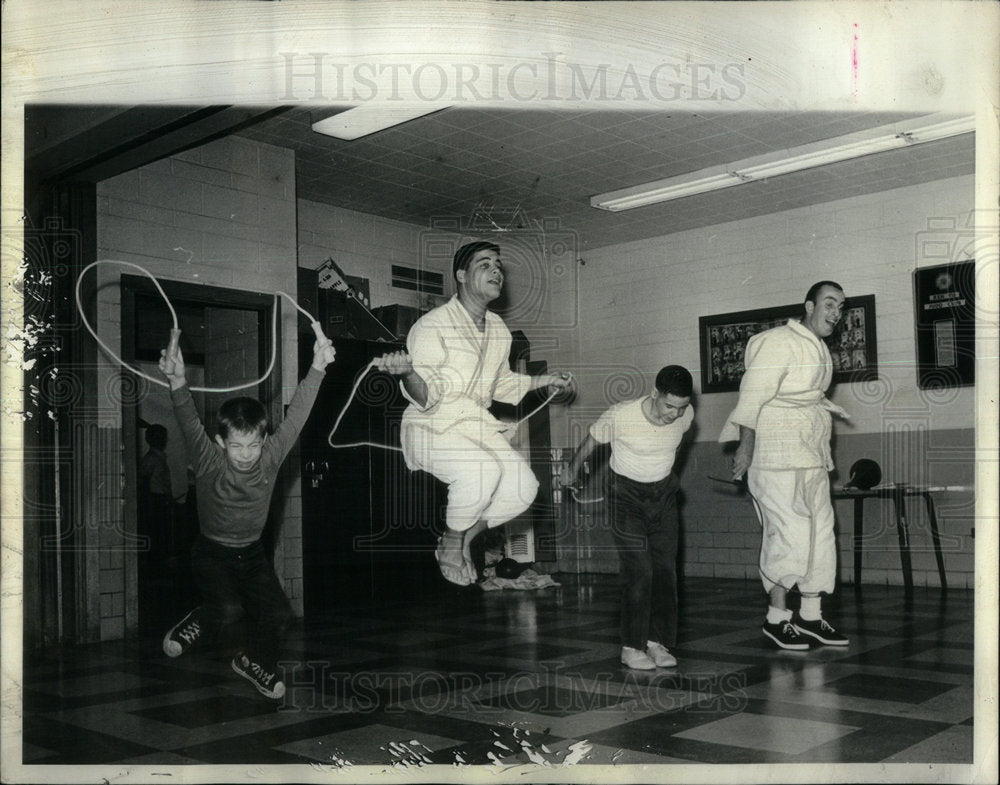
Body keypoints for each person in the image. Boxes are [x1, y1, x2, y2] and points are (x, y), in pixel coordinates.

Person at [375, 241, 574, 586]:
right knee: (479, 473)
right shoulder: (431, 326)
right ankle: (451, 544)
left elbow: (501, 384)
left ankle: (467, 537)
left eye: (498, 265)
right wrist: (407, 371)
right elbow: (427, 396)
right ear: (462, 275)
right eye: (485, 265)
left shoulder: (498, 329)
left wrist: (546, 380)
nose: (496, 271)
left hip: (475, 424)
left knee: (524, 489)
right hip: (432, 425)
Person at [157, 333, 336, 699]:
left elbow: (297, 417)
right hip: (211, 553)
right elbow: (189, 420)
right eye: (237, 446)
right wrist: (177, 380)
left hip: (252, 555)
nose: (246, 454)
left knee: (280, 616)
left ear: (263, 438)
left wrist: (317, 367)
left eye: (253, 444)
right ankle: (197, 620)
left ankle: (254, 663)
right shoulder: (209, 460)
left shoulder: (270, 456)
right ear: (222, 442)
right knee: (227, 609)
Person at [719, 281, 851, 651]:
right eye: (829, 304)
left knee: (821, 533)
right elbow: (753, 396)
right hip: (773, 455)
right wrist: (745, 447)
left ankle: (810, 615)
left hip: (810, 455)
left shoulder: (821, 349)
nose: (835, 314)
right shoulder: (778, 341)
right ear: (808, 306)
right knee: (787, 533)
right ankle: (777, 619)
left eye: (840, 307)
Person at [560, 366, 694, 670]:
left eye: (681, 407)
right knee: (640, 570)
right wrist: (571, 469)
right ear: (654, 394)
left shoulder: (687, 417)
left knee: (665, 571)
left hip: (663, 496)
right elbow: (592, 441)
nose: (675, 414)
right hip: (625, 497)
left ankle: (657, 643)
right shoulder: (621, 415)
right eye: (669, 406)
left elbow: (669, 445)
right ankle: (632, 647)